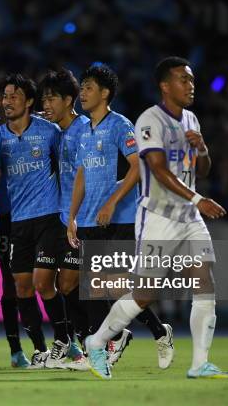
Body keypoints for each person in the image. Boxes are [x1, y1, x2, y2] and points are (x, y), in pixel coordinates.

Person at [85, 57, 228, 380]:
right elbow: (158, 169)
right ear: (165, 85)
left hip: (189, 216)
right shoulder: (149, 121)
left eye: (192, 80)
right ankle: (96, 342)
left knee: (205, 281)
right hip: (158, 216)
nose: (190, 85)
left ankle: (199, 364)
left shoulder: (192, 120)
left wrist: (204, 150)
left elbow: (201, 170)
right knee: (144, 294)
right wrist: (198, 198)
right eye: (183, 79)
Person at [67, 64, 174, 367]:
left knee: (112, 288)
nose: (82, 93)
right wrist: (72, 217)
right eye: (82, 87)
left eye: (88, 87)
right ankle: (147, 332)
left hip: (120, 218)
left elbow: (137, 166)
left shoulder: (119, 125)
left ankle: (108, 344)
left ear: (105, 93)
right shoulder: (84, 131)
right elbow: (80, 176)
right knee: (102, 290)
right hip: (89, 218)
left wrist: (112, 202)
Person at [0, 74, 71, 369]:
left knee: (43, 283)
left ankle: (64, 340)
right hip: (18, 220)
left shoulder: (49, 132)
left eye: (14, 96)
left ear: (29, 101)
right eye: (4, 96)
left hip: (48, 216)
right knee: (22, 287)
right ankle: (40, 348)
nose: (7, 101)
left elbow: (67, 165)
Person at [38, 68, 89, 370]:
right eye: (44, 99)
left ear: (69, 100)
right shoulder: (59, 133)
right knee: (59, 284)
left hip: (80, 219)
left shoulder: (84, 129)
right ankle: (78, 341)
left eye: (52, 98)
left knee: (69, 284)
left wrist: (79, 216)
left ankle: (97, 339)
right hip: (61, 217)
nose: (46, 105)